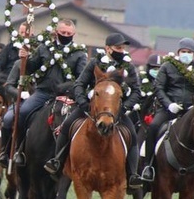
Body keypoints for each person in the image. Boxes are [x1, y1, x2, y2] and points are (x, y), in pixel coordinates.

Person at [44, 32, 143, 189]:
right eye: (118, 47)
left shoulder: (128, 67)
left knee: (132, 134)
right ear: (108, 49)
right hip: (92, 108)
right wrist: (83, 103)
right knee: (68, 125)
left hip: (116, 111)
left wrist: (124, 107)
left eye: (122, 48)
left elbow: (137, 91)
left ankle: (133, 174)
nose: (121, 50)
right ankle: (57, 161)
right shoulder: (94, 63)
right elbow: (79, 84)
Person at [141, 37, 194, 182]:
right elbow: (158, 87)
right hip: (169, 109)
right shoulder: (167, 67)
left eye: (189, 51)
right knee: (153, 127)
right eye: (183, 51)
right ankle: (148, 166)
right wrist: (169, 104)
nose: (186, 54)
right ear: (178, 52)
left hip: (193, 111)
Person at [12, 19, 88, 167]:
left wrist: (65, 88)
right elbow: (31, 68)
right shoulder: (44, 48)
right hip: (42, 92)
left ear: (74, 34)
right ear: (56, 32)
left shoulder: (80, 54)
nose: (66, 35)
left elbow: (80, 79)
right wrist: (25, 58)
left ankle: (69, 158)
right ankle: (19, 149)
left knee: (76, 122)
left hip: (66, 98)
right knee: (21, 112)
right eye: (63, 32)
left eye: (69, 33)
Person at [0, 59, 30, 168]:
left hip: (45, 99)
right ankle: (5, 152)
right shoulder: (19, 63)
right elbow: (9, 85)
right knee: (8, 118)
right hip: (22, 100)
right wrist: (20, 93)